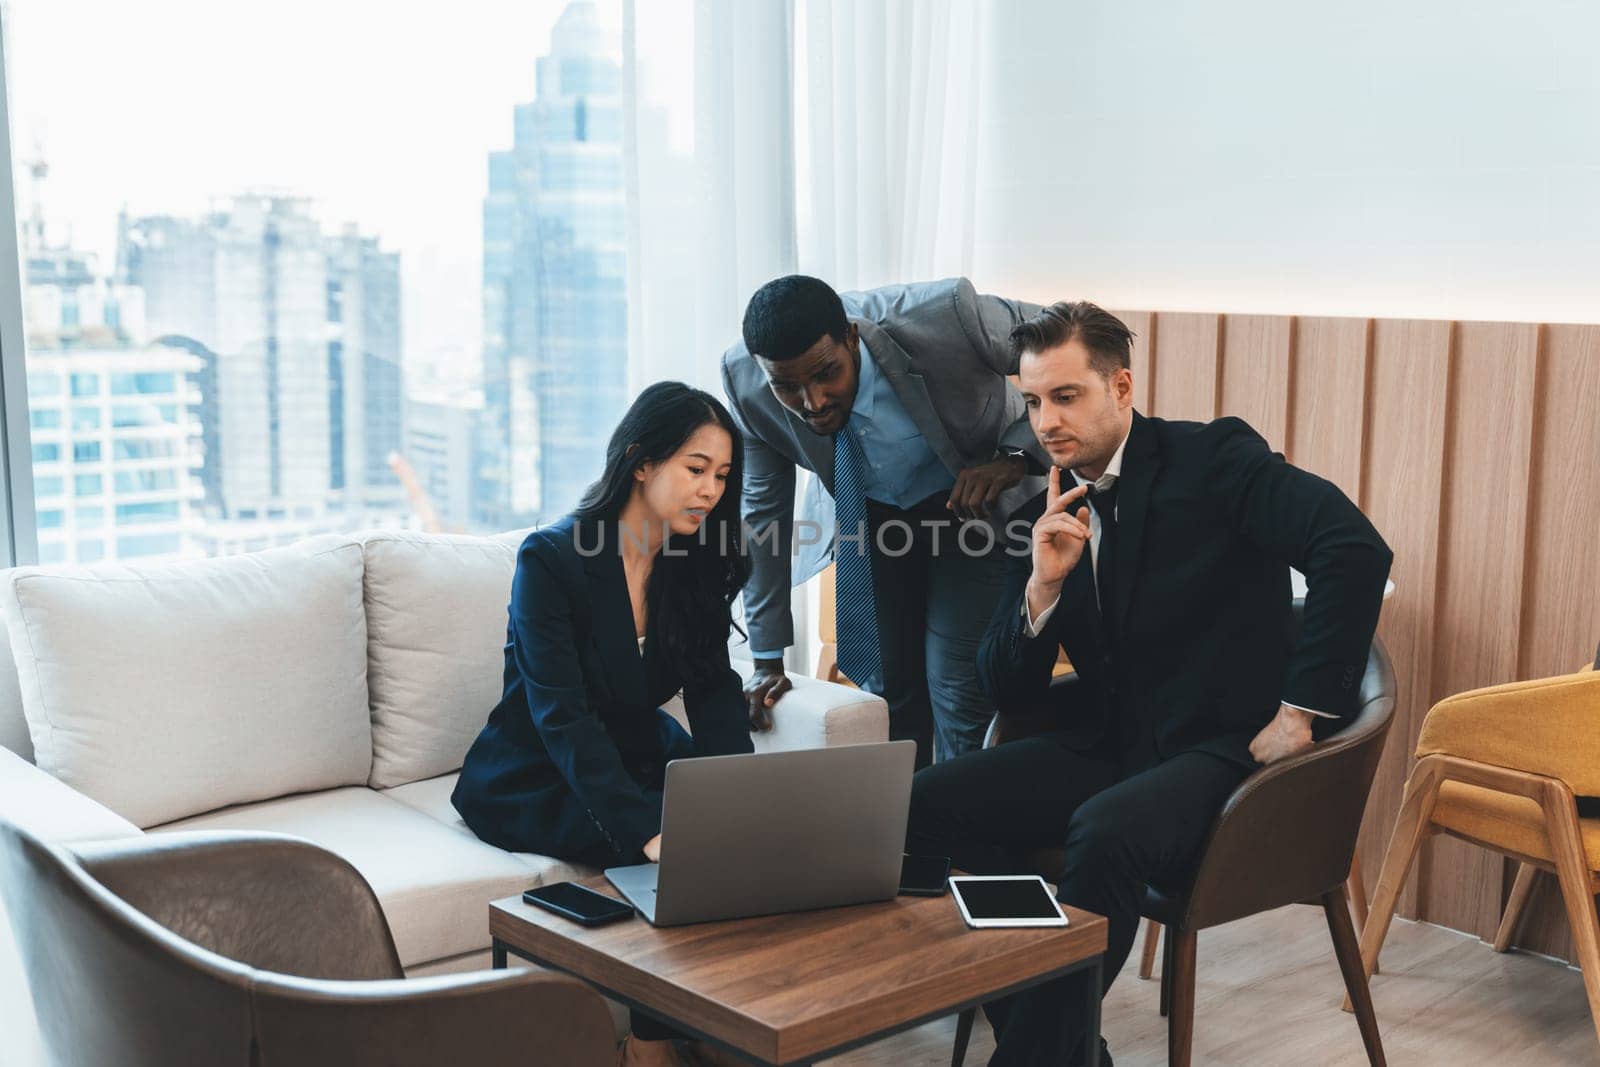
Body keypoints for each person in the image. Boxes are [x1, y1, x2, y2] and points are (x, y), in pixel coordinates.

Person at [904, 302, 1393, 1066]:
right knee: (926, 801)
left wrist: (1301, 710)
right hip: (1113, 742)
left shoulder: (1218, 459)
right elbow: (1007, 689)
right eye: (1033, 402)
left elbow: (1353, 548)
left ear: (1121, 386)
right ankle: (1056, 1041)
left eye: (1066, 396)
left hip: (1224, 749)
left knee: (1106, 830)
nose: (1046, 421)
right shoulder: (1043, 509)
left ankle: (1033, 1055)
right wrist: (1042, 588)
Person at [453, 381, 755, 1067]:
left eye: (723, 475)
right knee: (665, 864)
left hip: (639, 750)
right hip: (536, 772)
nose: (710, 490)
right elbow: (562, 716)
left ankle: (727, 1018)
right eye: (696, 468)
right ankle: (651, 1045)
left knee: (740, 847)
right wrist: (649, 830)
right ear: (642, 461)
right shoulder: (553, 559)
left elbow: (712, 691)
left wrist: (741, 800)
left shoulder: (692, 560)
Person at [722, 275, 1045, 767]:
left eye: (826, 374)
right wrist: (766, 659)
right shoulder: (744, 382)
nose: (813, 402)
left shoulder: (948, 316)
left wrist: (1016, 455)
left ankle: (967, 833)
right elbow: (763, 515)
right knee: (886, 694)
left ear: (851, 337)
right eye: (787, 386)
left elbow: (1074, 336)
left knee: (957, 685)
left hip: (974, 512)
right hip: (870, 518)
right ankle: (903, 834)